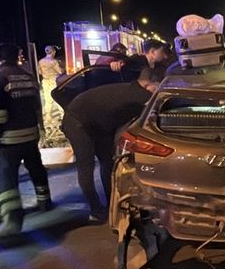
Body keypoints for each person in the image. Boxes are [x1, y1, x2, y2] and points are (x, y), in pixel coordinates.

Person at [62, 68, 162, 222]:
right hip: (76, 122)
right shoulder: (140, 94)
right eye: (157, 87)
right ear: (148, 84)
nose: (156, 92)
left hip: (96, 123)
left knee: (108, 162)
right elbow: (157, 106)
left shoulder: (129, 90)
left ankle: (111, 205)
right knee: (86, 165)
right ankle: (95, 210)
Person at [0, 43, 52, 238]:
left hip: (9, 138)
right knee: (36, 168)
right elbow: (37, 106)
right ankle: (44, 201)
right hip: (30, 133)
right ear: (17, 56)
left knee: (6, 178)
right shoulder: (28, 77)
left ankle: (12, 220)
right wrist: (40, 129)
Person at [38, 44, 64, 138]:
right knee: (58, 99)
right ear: (53, 51)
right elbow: (59, 71)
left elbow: (39, 72)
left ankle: (48, 117)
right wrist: (63, 68)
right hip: (53, 81)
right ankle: (62, 115)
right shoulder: (54, 61)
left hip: (45, 81)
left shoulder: (41, 61)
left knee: (48, 100)